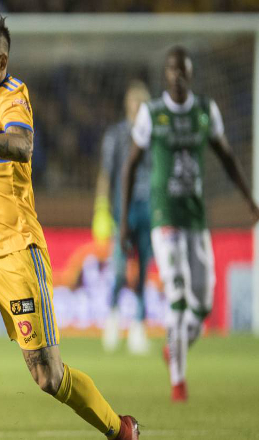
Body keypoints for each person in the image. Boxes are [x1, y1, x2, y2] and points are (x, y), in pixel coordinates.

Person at [0, 13, 139, 440]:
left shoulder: (13, 96)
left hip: (18, 254)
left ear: (1, 63)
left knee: (48, 377)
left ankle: (120, 429)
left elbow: (22, 145)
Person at [121, 46, 259, 402]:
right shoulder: (152, 114)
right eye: (172, 70)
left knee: (204, 303)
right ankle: (178, 383)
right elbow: (130, 166)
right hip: (164, 217)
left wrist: (249, 199)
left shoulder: (205, 111)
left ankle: (174, 347)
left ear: (191, 74)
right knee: (179, 296)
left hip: (196, 219)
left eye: (183, 70)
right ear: (165, 74)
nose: (177, 76)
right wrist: (123, 221)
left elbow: (226, 156)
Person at [93, 80, 152, 354]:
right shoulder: (116, 135)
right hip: (123, 211)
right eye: (134, 102)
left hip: (148, 209)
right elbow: (106, 174)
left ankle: (138, 326)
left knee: (143, 270)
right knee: (118, 269)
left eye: (142, 103)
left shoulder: (154, 136)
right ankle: (113, 318)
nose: (137, 107)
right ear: (127, 105)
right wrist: (101, 207)